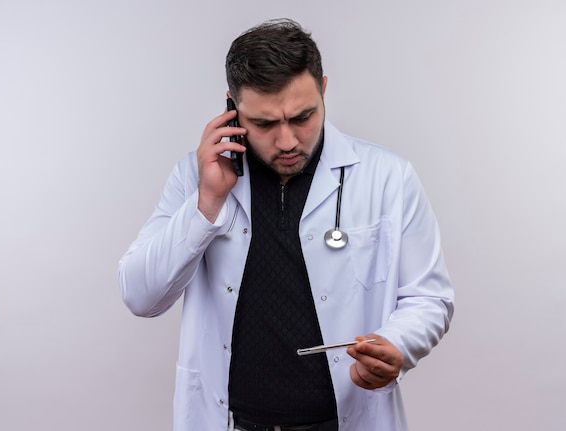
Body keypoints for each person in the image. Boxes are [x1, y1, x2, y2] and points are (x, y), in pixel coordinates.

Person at [118, 18, 454, 431]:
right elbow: (141, 295)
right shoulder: (195, 179)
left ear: (324, 89)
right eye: (264, 124)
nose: (288, 141)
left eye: (303, 116)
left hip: (343, 421)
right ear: (232, 108)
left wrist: (398, 346)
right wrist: (207, 203)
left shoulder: (387, 177)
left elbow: (429, 297)